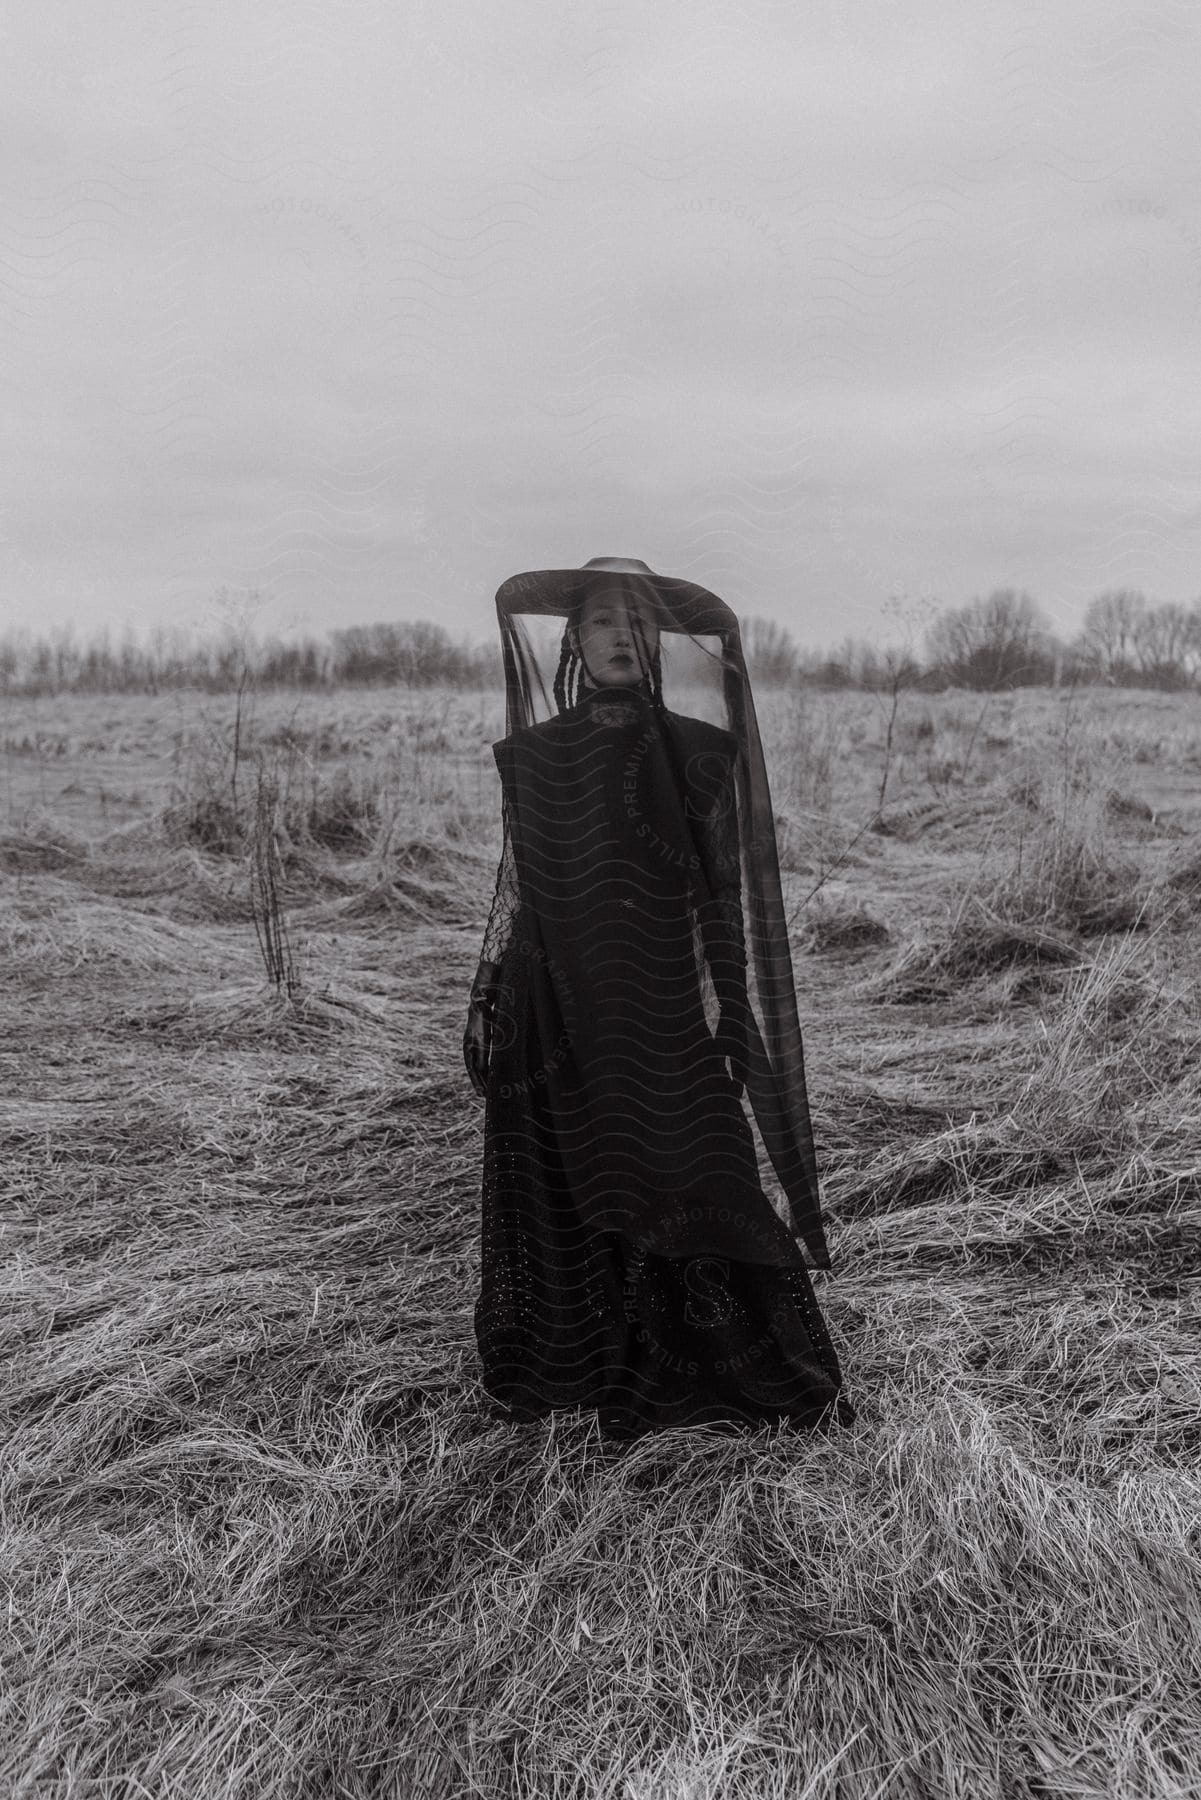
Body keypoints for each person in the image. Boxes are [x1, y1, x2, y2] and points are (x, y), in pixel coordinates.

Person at [464, 557, 855, 1439]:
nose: (621, 638)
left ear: (658, 647)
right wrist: (490, 990)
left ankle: (727, 1369)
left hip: (656, 1001)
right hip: (551, 1000)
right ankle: (583, 1363)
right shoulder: (537, 754)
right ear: (573, 640)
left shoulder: (697, 751)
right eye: (602, 622)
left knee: (697, 1166)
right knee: (565, 1173)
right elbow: (519, 889)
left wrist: (732, 1007)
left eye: (638, 625)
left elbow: (718, 898)